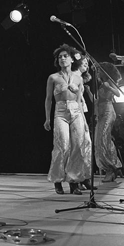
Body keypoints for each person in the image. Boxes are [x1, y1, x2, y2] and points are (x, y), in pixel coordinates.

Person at [44, 44, 91, 195]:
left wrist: (84, 121)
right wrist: (47, 119)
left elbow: (79, 101)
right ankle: (57, 179)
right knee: (62, 145)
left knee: (78, 146)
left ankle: (74, 181)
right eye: (60, 57)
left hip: (76, 111)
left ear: (72, 59)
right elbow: (48, 99)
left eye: (65, 56)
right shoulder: (53, 77)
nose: (62, 59)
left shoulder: (78, 78)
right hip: (60, 111)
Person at [71, 52, 97, 191]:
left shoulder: (80, 78)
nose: (87, 65)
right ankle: (74, 181)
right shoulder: (73, 76)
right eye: (84, 63)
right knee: (77, 147)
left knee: (86, 145)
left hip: (80, 112)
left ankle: (85, 177)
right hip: (73, 113)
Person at [94, 62, 122, 182]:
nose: (97, 72)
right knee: (101, 140)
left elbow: (118, 93)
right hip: (101, 114)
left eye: (99, 70)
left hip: (108, 112)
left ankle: (111, 168)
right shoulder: (101, 84)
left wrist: (109, 87)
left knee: (103, 140)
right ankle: (114, 166)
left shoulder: (109, 81)